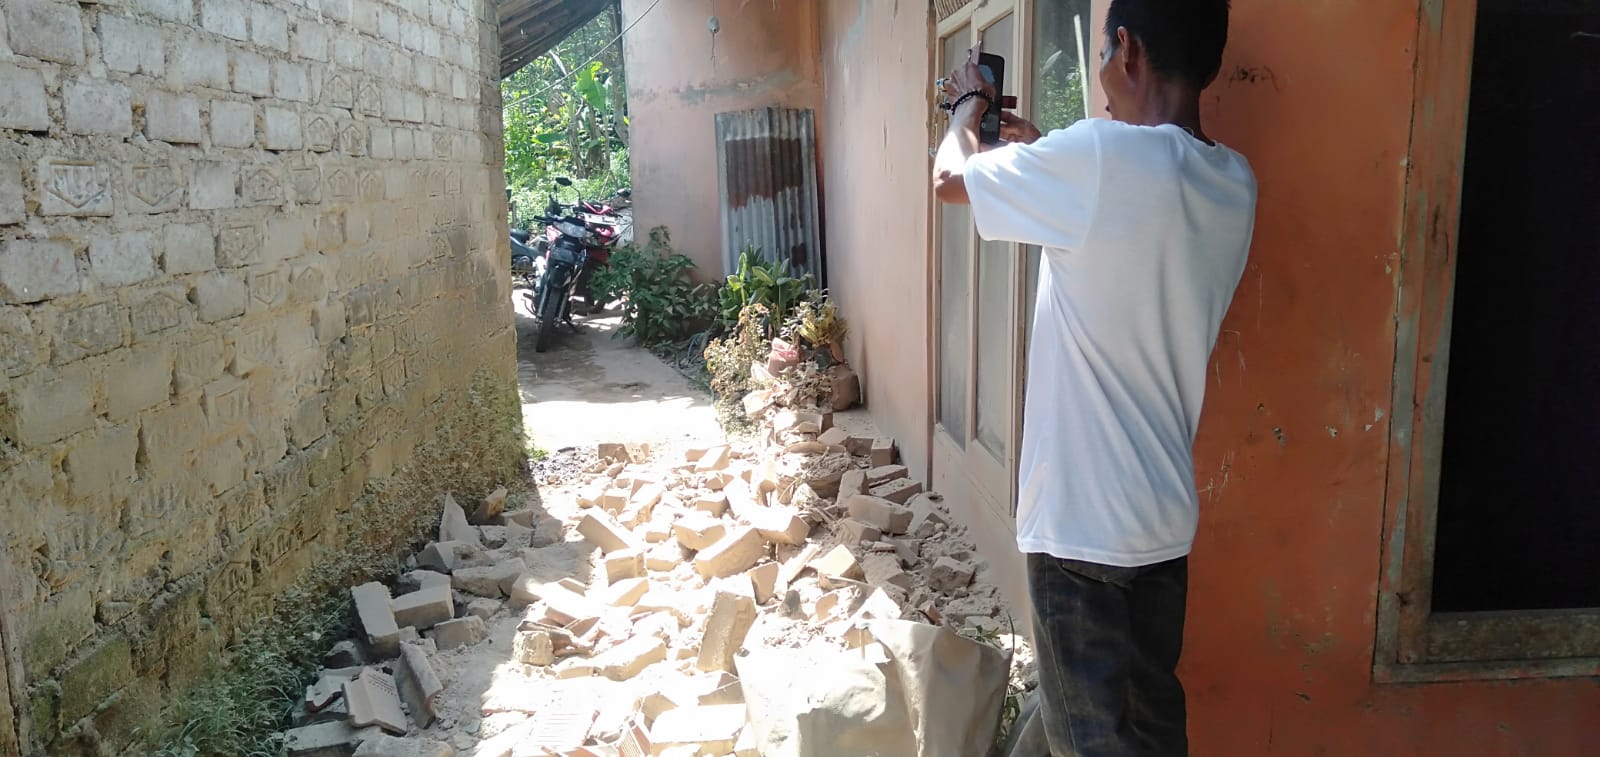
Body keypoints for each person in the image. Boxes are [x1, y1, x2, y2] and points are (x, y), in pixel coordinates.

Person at [930, 1, 1255, 754]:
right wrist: (1047, 154)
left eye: (1105, 56)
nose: (1103, 80)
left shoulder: (1100, 159)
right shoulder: (1234, 183)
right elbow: (1132, 218)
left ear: (1129, 49)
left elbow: (951, 178)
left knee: (1094, 737)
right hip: (1161, 527)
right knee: (1142, 728)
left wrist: (966, 104)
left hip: (1079, 531)